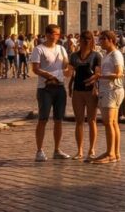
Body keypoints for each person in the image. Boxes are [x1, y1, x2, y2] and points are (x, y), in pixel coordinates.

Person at [29, 23, 71, 162]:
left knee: (58, 120)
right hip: (44, 88)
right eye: (53, 33)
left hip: (59, 88)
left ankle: (57, 149)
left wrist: (66, 70)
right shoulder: (38, 49)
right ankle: (39, 150)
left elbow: (66, 67)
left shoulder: (61, 49)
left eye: (58, 34)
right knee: (43, 119)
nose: (56, 36)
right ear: (47, 34)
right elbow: (35, 69)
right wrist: (50, 76)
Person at [91, 30, 124, 164]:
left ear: (110, 40)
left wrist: (100, 76)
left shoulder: (116, 54)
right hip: (107, 89)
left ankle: (111, 153)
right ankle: (114, 152)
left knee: (109, 122)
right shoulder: (107, 54)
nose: (100, 42)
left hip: (111, 90)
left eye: (102, 40)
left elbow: (119, 73)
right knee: (113, 123)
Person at [69, 32, 100, 159]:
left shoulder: (96, 55)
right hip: (77, 90)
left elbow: (98, 72)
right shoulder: (74, 56)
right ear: (79, 40)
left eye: (89, 39)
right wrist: (69, 84)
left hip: (90, 90)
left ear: (92, 40)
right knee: (79, 121)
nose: (86, 41)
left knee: (92, 120)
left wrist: (92, 80)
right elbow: (71, 72)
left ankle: (92, 149)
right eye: (84, 39)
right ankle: (79, 150)